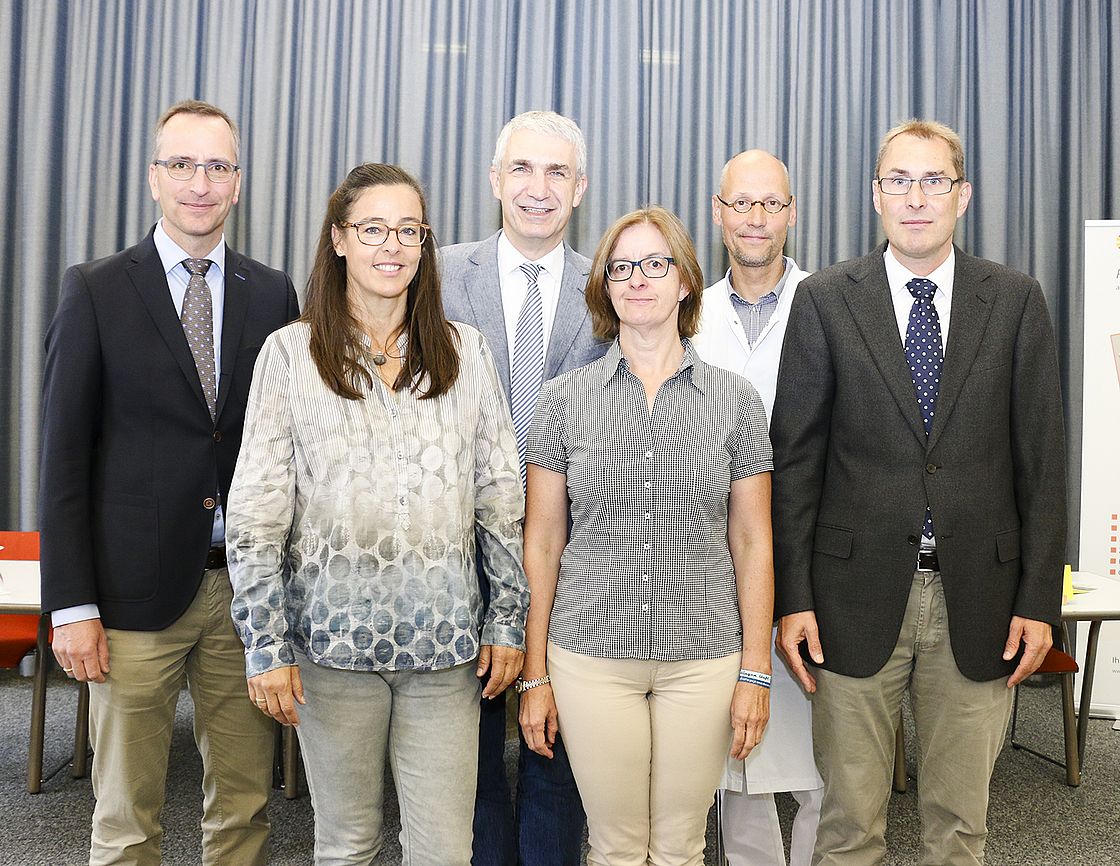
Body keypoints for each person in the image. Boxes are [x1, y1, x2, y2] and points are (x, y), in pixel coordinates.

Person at [771, 119, 1067, 865]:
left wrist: (1039, 603)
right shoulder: (826, 299)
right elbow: (796, 463)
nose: (915, 198)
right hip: (851, 597)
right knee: (848, 826)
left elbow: (1043, 464)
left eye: (933, 181)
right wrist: (794, 596)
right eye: (898, 181)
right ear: (876, 195)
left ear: (962, 196)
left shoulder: (1017, 300)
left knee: (960, 829)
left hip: (983, 600)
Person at [225, 163, 527, 865]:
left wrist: (506, 621)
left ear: (424, 245)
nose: (390, 246)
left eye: (408, 230)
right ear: (338, 240)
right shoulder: (290, 356)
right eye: (372, 229)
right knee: (346, 843)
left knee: (446, 849)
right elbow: (256, 515)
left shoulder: (465, 354)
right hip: (331, 654)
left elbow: (499, 502)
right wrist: (265, 645)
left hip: (446, 654)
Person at [39, 99, 299, 865]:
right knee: (126, 818)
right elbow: (63, 461)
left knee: (245, 810)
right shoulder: (95, 289)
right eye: (182, 164)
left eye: (217, 166)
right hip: (127, 600)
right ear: (154, 178)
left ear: (238, 184)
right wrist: (71, 604)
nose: (199, 182)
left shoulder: (272, 293)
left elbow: (281, 450)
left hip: (241, 599)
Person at [519, 206, 775, 865]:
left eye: (655, 264)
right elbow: (542, 544)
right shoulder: (563, 401)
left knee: (683, 846)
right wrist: (535, 673)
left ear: (685, 280)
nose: (638, 279)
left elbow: (752, 543)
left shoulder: (735, 401)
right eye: (621, 267)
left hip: (705, 655)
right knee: (616, 846)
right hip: (591, 656)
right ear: (605, 286)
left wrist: (755, 670)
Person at [440, 110, 607, 866]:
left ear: (580, 189)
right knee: (464, 762)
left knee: (556, 755)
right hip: (453, 555)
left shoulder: (612, 287)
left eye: (556, 174)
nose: (537, 189)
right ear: (494, 180)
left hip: (571, 557)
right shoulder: (435, 274)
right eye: (522, 170)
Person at [693, 149, 823, 866]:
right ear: (718, 212)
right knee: (738, 768)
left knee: (822, 772)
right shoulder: (687, 315)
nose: (755, 218)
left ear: (791, 214)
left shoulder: (832, 305)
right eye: (741, 203)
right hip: (715, 572)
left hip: (811, 568)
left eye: (771, 204)